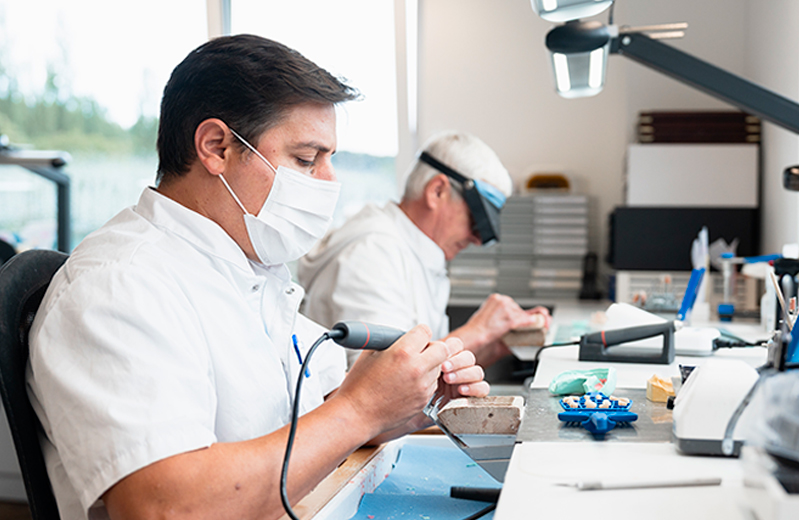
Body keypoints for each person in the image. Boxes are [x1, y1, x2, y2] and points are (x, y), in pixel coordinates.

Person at [26, 35, 489, 520]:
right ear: (216, 147)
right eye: (306, 160)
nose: (329, 182)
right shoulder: (119, 285)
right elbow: (165, 507)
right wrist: (361, 409)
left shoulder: (251, 270)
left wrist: (404, 397)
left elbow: (321, 415)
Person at [299, 131, 551, 369]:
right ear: (437, 191)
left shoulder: (415, 252)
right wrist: (478, 331)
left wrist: (495, 343)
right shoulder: (372, 253)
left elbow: (432, 375)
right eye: (477, 221)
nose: (477, 239)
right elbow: (383, 383)